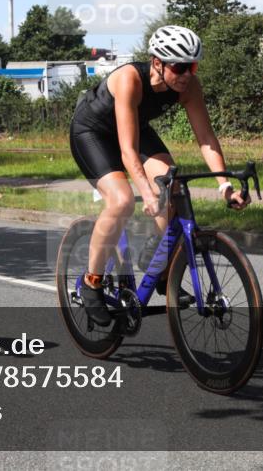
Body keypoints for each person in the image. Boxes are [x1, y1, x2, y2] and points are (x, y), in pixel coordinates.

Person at [69, 25, 250, 326]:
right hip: (93, 133)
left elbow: (205, 138)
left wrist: (225, 186)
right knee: (122, 201)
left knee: (174, 185)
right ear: (157, 62)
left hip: (133, 129)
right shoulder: (129, 79)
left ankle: (157, 260)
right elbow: (127, 151)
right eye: (180, 67)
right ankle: (92, 282)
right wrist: (148, 194)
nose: (187, 74)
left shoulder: (189, 86)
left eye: (192, 66)